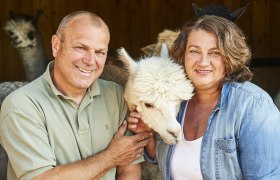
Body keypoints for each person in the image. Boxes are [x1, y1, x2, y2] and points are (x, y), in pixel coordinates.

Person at [0, 11, 153, 180]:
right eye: (81, 48)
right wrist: (110, 157)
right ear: (56, 45)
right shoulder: (22, 105)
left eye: (100, 52)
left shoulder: (116, 95)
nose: (90, 60)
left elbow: (129, 170)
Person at [128, 15, 280, 179]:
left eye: (214, 53)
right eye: (194, 51)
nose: (203, 62)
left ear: (229, 57)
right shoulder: (176, 99)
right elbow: (177, 163)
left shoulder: (252, 106)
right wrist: (150, 138)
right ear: (183, 55)